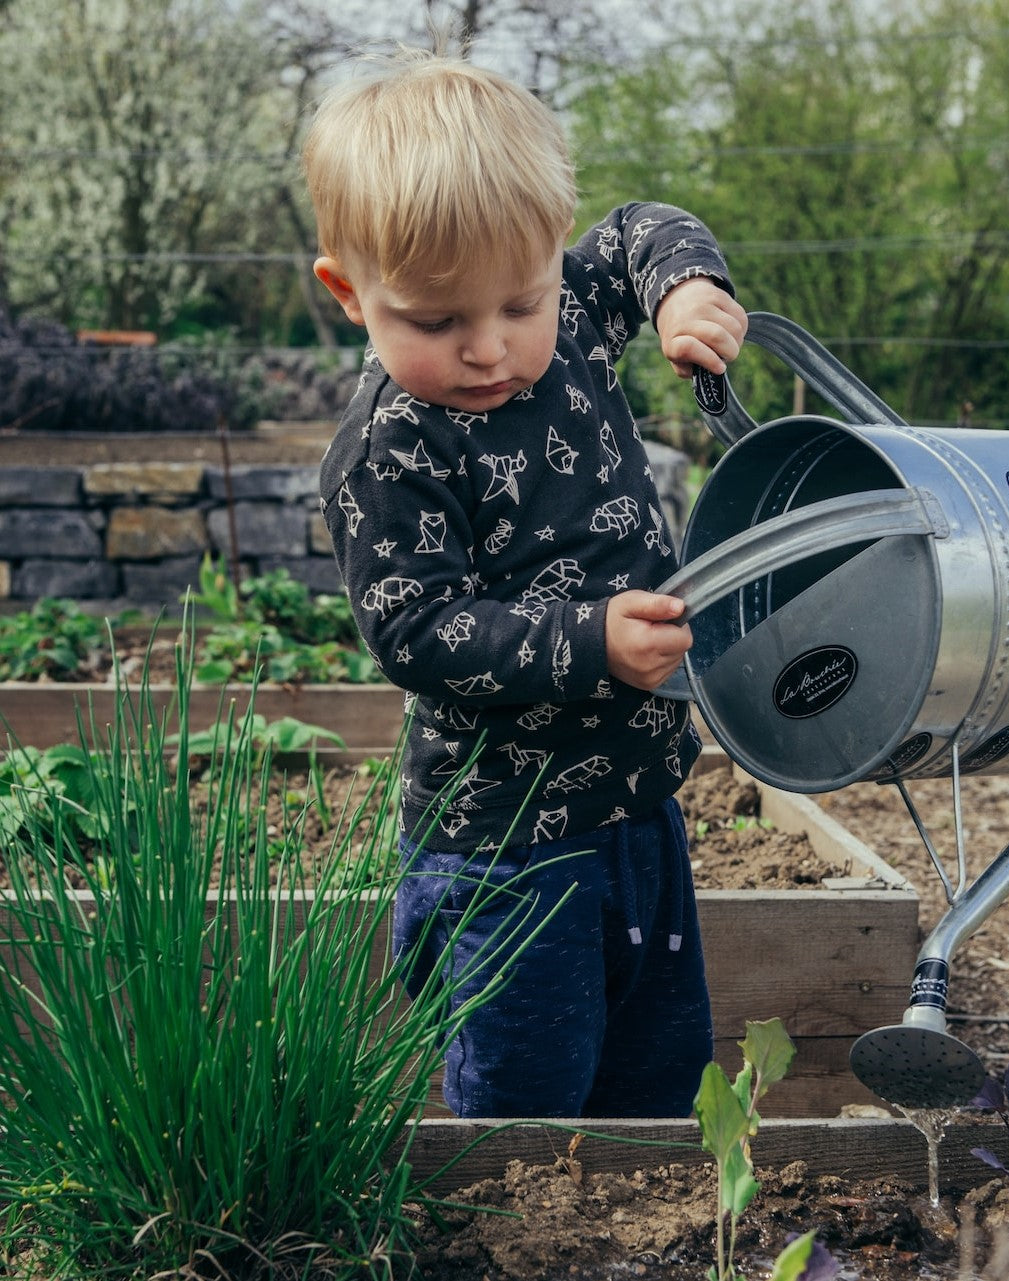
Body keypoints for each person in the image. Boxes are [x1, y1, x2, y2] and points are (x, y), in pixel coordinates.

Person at [302, 48, 747, 1119]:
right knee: (527, 1104)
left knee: (658, 1074)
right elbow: (418, 630)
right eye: (436, 321)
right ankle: (521, 1215)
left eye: (520, 302)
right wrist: (591, 641)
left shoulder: (575, 313)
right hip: (506, 850)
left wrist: (686, 290)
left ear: (552, 257)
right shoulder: (391, 451)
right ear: (350, 292)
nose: (489, 348)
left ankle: (650, 1209)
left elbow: (640, 230)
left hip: (642, 807)